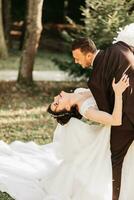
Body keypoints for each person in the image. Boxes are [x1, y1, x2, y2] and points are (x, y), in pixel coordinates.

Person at [0, 76, 129, 200]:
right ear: (67, 108)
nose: (56, 97)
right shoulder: (86, 110)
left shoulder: (79, 92)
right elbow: (115, 120)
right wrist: (118, 93)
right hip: (115, 133)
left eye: (54, 102)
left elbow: (100, 91)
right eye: (57, 104)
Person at [72, 24, 134, 200]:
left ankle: (115, 197)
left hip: (125, 123)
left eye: (77, 58)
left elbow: (107, 114)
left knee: (115, 159)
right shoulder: (121, 46)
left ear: (89, 54)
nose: (77, 62)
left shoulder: (95, 81)